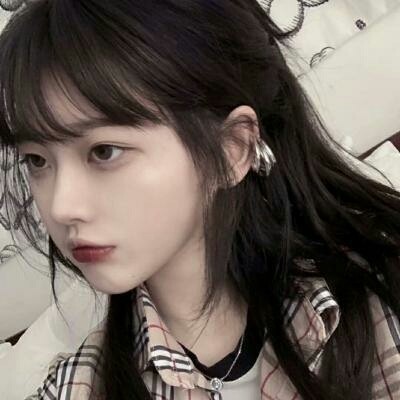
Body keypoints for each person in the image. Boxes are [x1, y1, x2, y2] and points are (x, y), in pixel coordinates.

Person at [0, 1, 399, 399]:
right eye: (37, 160)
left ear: (233, 148)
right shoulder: (75, 389)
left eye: (104, 151)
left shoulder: (375, 299)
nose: (60, 207)